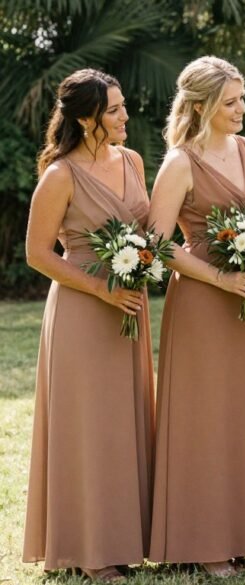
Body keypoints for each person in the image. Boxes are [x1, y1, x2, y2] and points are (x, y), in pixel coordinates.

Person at [23, 69, 153, 583]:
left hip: (131, 305)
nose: (126, 117)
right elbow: (36, 254)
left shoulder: (133, 161)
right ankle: (91, 550)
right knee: (89, 428)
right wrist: (102, 288)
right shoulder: (60, 175)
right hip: (83, 308)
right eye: (115, 110)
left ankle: (127, 537)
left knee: (124, 422)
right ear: (85, 118)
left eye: (123, 106)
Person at [146, 56, 245, 577]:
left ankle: (240, 535)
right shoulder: (180, 163)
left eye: (242, 98)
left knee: (242, 416)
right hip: (201, 300)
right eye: (231, 102)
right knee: (205, 419)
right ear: (201, 106)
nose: (242, 109)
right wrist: (219, 278)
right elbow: (155, 245)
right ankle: (203, 541)